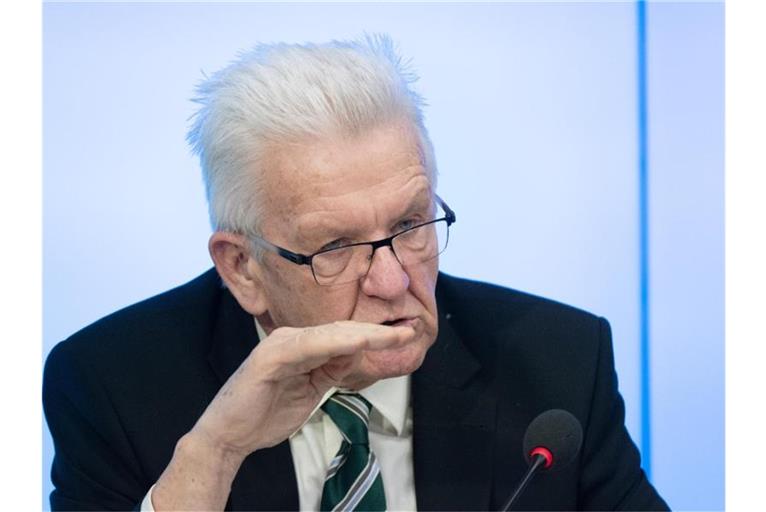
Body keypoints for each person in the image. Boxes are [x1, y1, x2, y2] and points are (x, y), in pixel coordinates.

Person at [43, 35, 668, 511]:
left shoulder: (557, 363)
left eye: (412, 224)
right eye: (335, 247)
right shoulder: (111, 386)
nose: (394, 283)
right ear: (242, 268)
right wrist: (214, 455)